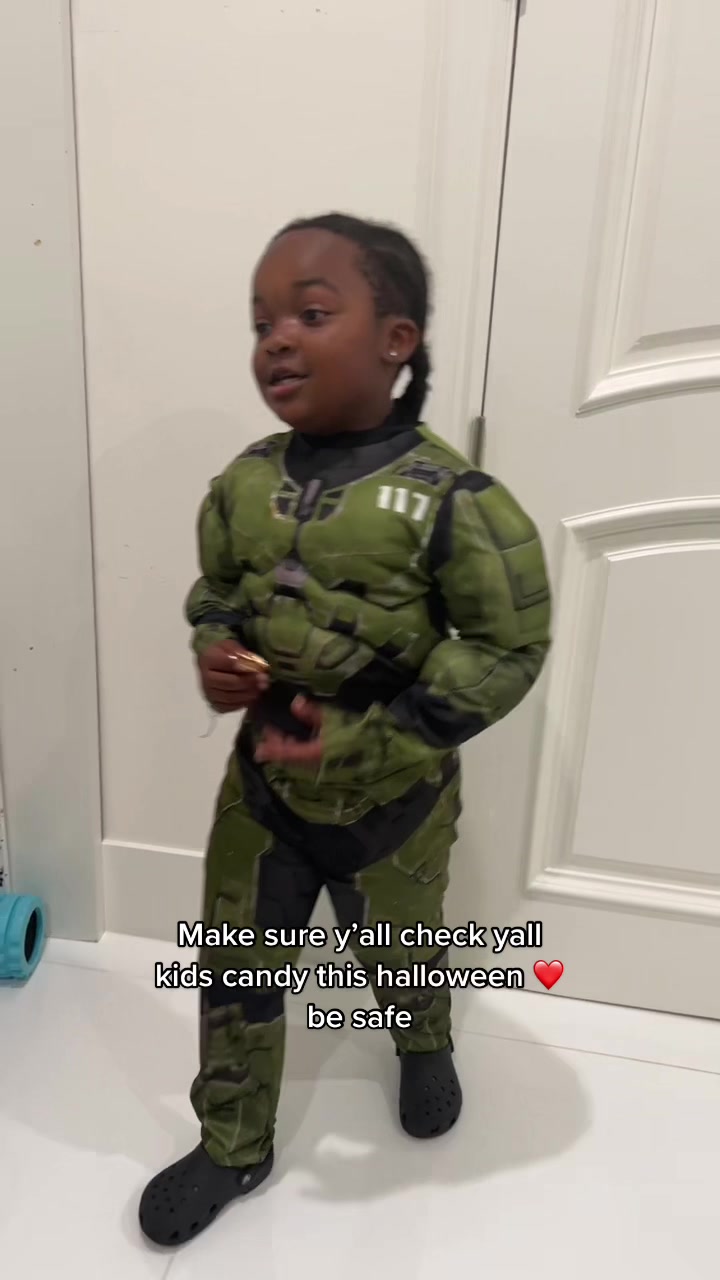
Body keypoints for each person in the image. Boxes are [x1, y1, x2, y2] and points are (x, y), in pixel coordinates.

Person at [139, 212, 552, 1246]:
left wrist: (387, 736)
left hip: (395, 802)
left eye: (311, 314)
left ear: (395, 341)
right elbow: (215, 593)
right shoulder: (244, 483)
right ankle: (234, 1141)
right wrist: (216, 648)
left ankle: (422, 1038)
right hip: (264, 792)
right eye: (262, 322)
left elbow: (507, 644)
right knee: (235, 968)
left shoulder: (457, 501)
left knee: (403, 945)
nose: (277, 340)